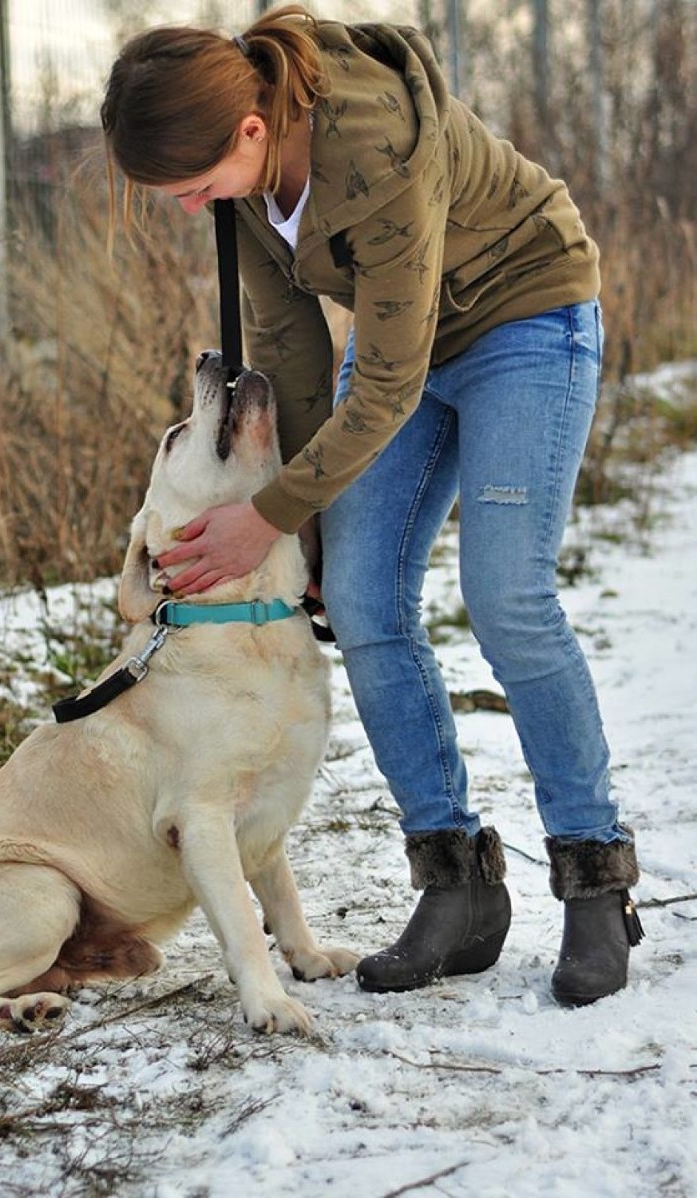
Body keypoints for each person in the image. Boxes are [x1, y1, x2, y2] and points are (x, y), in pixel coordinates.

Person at [100, 5, 644, 1006]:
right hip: (410, 343)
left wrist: (262, 517)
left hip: (524, 312)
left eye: (190, 187)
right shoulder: (250, 187)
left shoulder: (373, 141)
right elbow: (297, 348)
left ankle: (594, 878)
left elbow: (385, 389)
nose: (190, 208)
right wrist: (297, 512)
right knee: (356, 593)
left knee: (508, 597)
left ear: (250, 130)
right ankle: (456, 887)